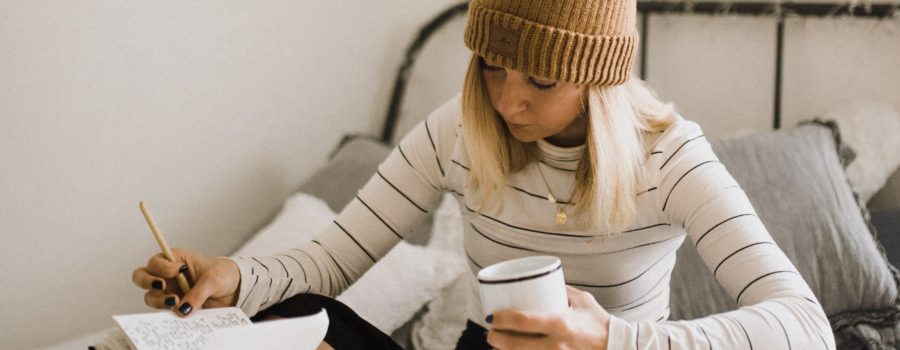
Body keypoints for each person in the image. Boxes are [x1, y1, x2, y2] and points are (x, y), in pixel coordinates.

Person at [132, 0, 836, 348]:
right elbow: (329, 260)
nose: (507, 100)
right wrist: (236, 277)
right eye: (493, 66)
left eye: (541, 80)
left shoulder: (669, 157)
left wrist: (614, 341)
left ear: (597, 84)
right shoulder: (458, 130)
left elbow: (807, 326)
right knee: (284, 319)